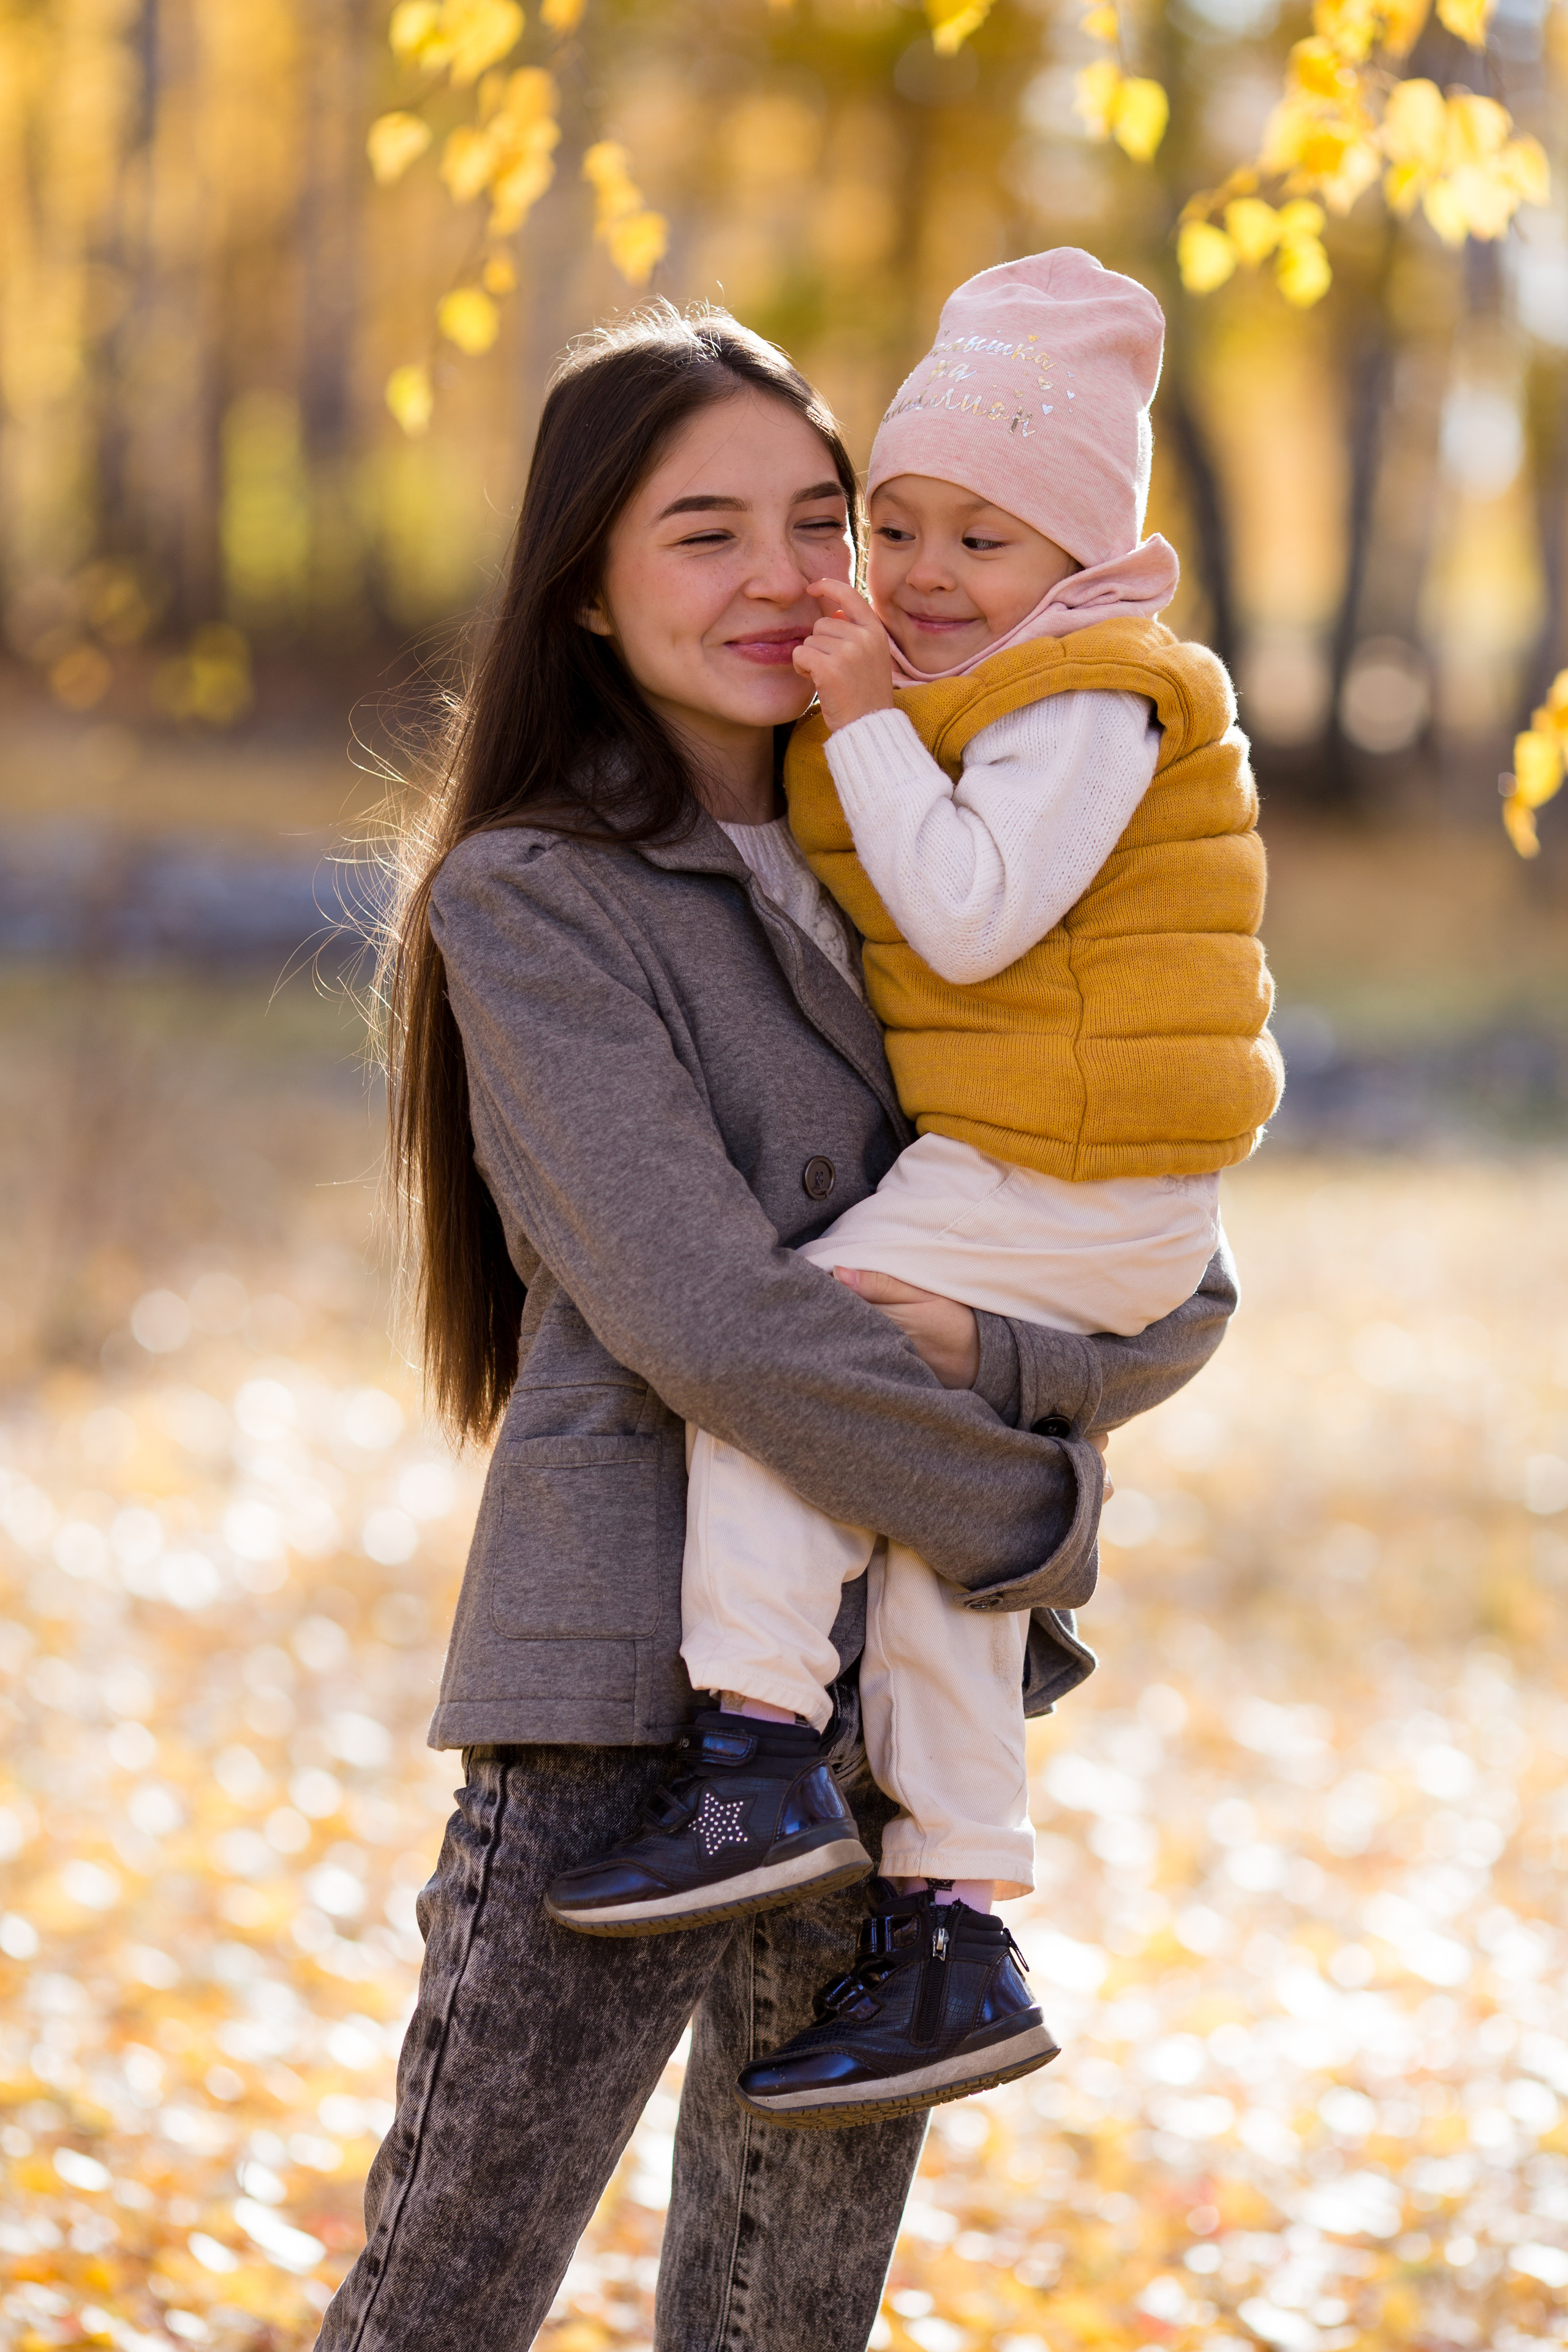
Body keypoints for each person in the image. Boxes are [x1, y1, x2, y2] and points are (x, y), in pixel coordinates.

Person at [314, 300, 1238, 2352]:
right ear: (584, 588)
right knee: (445, 2300)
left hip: (889, 1737)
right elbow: (704, 1317)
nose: (785, 578)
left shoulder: (949, 838)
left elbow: (1168, 1257)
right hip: (625, 1715)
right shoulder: (539, 898)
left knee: (779, 2321)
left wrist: (1008, 1366)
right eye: (702, 530)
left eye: (821, 520)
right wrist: (1024, 1494)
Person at [553, 253, 1281, 2132]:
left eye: (993, 539)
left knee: (794, 1368)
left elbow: (964, 912)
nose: (932, 572)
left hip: (1075, 1175)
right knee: (920, 1508)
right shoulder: (987, 685)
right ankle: (956, 1915)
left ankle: (760, 1748)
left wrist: (863, 717)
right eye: (902, 524)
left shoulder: (1087, 705)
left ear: (1089, 564)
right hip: (1065, 1172)